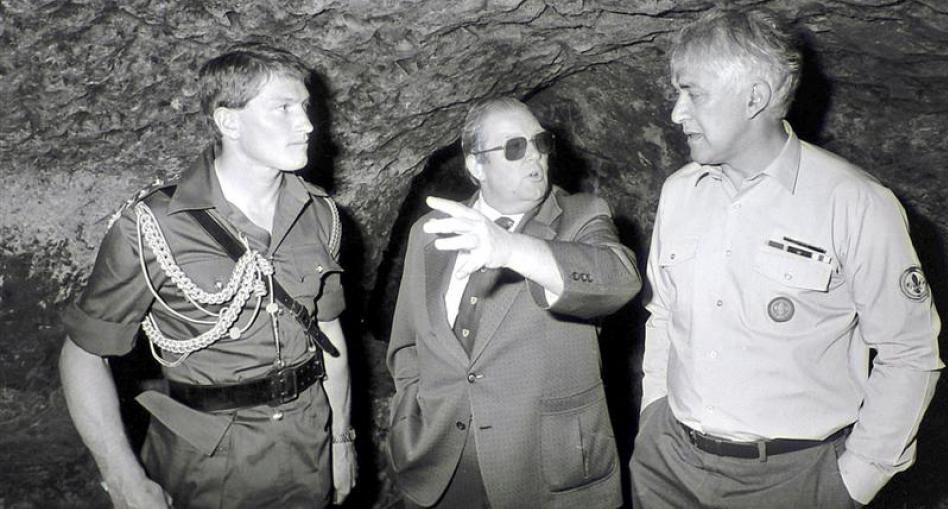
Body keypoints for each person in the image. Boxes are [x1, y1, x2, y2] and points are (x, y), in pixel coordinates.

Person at [630, 8, 943, 508]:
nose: (676, 113)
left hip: (793, 480)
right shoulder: (679, 193)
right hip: (670, 466)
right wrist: (653, 415)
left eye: (694, 93)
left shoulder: (855, 203)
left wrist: (853, 481)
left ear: (754, 97)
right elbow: (663, 315)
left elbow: (910, 354)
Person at [58, 44, 356, 508]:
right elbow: (82, 356)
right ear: (229, 121)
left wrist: (341, 440)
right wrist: (125, 481)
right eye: (283, 109)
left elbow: (328, 335)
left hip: (306, 449)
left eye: (304, 107)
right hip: (207, 464)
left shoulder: (321, 214)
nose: (307, 124)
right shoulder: (153, 226)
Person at [386, 96, 641, 509]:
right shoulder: (431, 232)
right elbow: (407, 346)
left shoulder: (581, 216)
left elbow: (618, 279)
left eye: (540, 143)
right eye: (514, 147)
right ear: (475, 166)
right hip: (439, 468)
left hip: (545, 475)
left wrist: (509, 249)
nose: (535, 156)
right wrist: (407, 421)